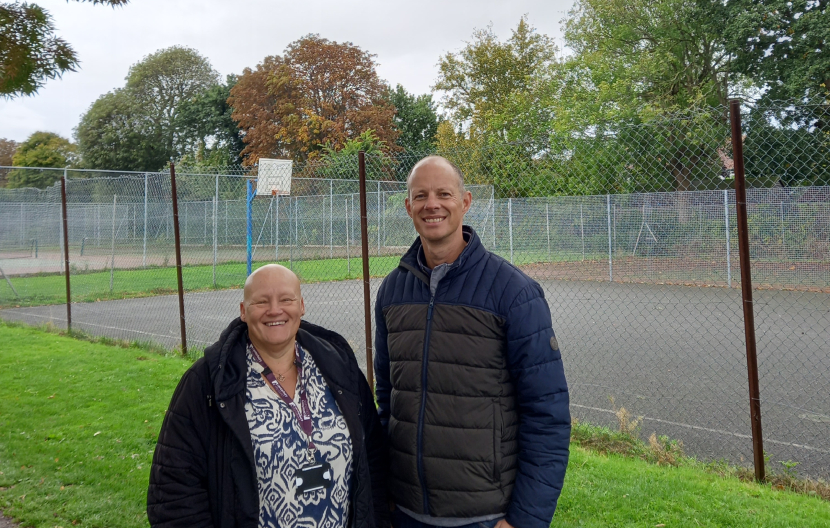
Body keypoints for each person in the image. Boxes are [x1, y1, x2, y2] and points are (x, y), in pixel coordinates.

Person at [374, 156, 570, 528]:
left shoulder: (514, 293)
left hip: (484, 515)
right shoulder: (392, 291)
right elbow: (389, 399)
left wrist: (525, 519)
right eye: (421, 196)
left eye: (444, 194)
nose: (432, 204)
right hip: (405, 512)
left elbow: (547, 416)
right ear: (409, 207)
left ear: (465, 202)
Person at [148, 264, 389, 528]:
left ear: (302, 306)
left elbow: (372, 458)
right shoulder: (206, 383)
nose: (275, 310)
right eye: (261, 301)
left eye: (286, 299)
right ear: (243, 311)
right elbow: (174, 491)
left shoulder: (338, 367)